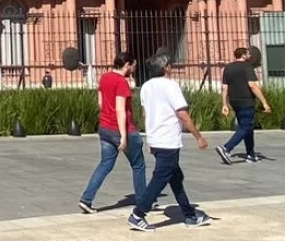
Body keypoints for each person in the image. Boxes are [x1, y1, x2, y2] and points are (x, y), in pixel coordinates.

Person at [128, 53, 211, 232]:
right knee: (160, 179)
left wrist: (149, 138)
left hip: (157, 139)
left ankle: (189, 214)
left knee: (175, 178)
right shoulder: (171, 86)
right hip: (168, 140)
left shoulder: (146, 87)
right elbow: (182, 114)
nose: (171, 66)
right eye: (170, 64)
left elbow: (145, 115)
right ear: (165, 67)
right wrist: (198, 136)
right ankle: (138, 214)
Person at [79, 52, 157, 215]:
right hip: (123, 129)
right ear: (127, 64)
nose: (134, 69)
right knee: (138, 165)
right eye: (133, 66)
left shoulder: (104, 77)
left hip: (105, 128)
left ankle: (86, 199)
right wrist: (123, 135)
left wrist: (108, 115)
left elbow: (100, 103)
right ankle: (143, 200)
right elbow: (121, 109)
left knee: (105, 164)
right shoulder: (122, 83)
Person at [216, 47, 271, 165]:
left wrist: (224, 104)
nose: (250, 55)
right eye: (248, 53)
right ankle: (226, 148)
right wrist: (264, 102)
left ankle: (250, 154)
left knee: (247, 127)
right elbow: (253, 86)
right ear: (244, 55)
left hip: (234, 101)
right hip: (246, 101)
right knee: (246, 127)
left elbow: (224, 87)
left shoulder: (228, 68)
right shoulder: (247, 67)